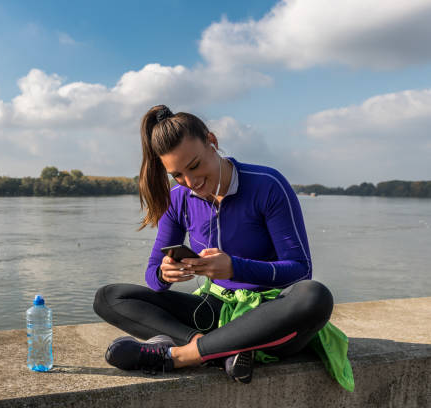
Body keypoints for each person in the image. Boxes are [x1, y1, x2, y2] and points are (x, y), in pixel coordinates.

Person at [93, 105, 334, 383]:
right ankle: (218, 349)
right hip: (213, 310)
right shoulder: (178, 198)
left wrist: (234, 268)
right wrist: (165, 272)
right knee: (109, 297)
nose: (191, 182)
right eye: (178, 175)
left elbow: (301, 270)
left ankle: (179, 356)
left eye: (195, 165)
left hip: (268, 316)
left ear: (212, 142)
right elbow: (153, 279)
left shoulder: (267, 185)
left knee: (314, 296)